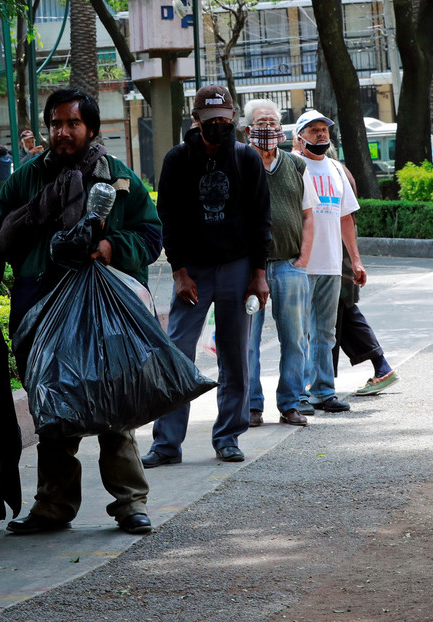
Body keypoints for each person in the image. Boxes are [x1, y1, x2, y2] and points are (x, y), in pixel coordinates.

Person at [0, 88, 163, 536]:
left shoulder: (119, 179)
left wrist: (110, 246)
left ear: (91, 128)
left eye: (72, 123)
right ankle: (53, 506)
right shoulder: (26, 179)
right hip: (40, 306)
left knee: (114, 402)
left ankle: (131, 503)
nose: (63, 132)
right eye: (55, 124)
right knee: (52, 405)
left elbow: (151, 236)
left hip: (104, 310)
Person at [139, 84, 271, 468]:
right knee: (177, 353)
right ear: (196, 119)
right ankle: (166, 444)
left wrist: (259, 274)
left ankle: (228, 437)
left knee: (235, 355)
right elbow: (169, 220)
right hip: (193, 271)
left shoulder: (246, 159)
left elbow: (261, 220)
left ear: (233, 118)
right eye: (210, 119)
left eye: (224, 119)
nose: (218, 125)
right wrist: (179, 272)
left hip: (237, 268)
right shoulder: (178, 159)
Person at [240, 98, 314, 429]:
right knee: (246, 342)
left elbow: (308, 215)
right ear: (247, 129)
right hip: (246, 270)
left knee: (295, 339)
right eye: (261, 122)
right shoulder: (238, 164)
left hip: (289, 266)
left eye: (273, 122)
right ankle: (252, 406)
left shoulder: (296, 165)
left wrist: (303, 259)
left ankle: (291, 403)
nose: (268, 128)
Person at [292, 110, 365, 416]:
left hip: (331, 264)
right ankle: (298, 394)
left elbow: (346, 217)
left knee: (326, 332)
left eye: (324, 129)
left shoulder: (335, 168)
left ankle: (323, 390)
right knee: (298, 333)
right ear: (299, 137)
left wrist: (356, 260)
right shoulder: (293, 166)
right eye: (314, 130)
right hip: (300, 265)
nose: (321, 134)